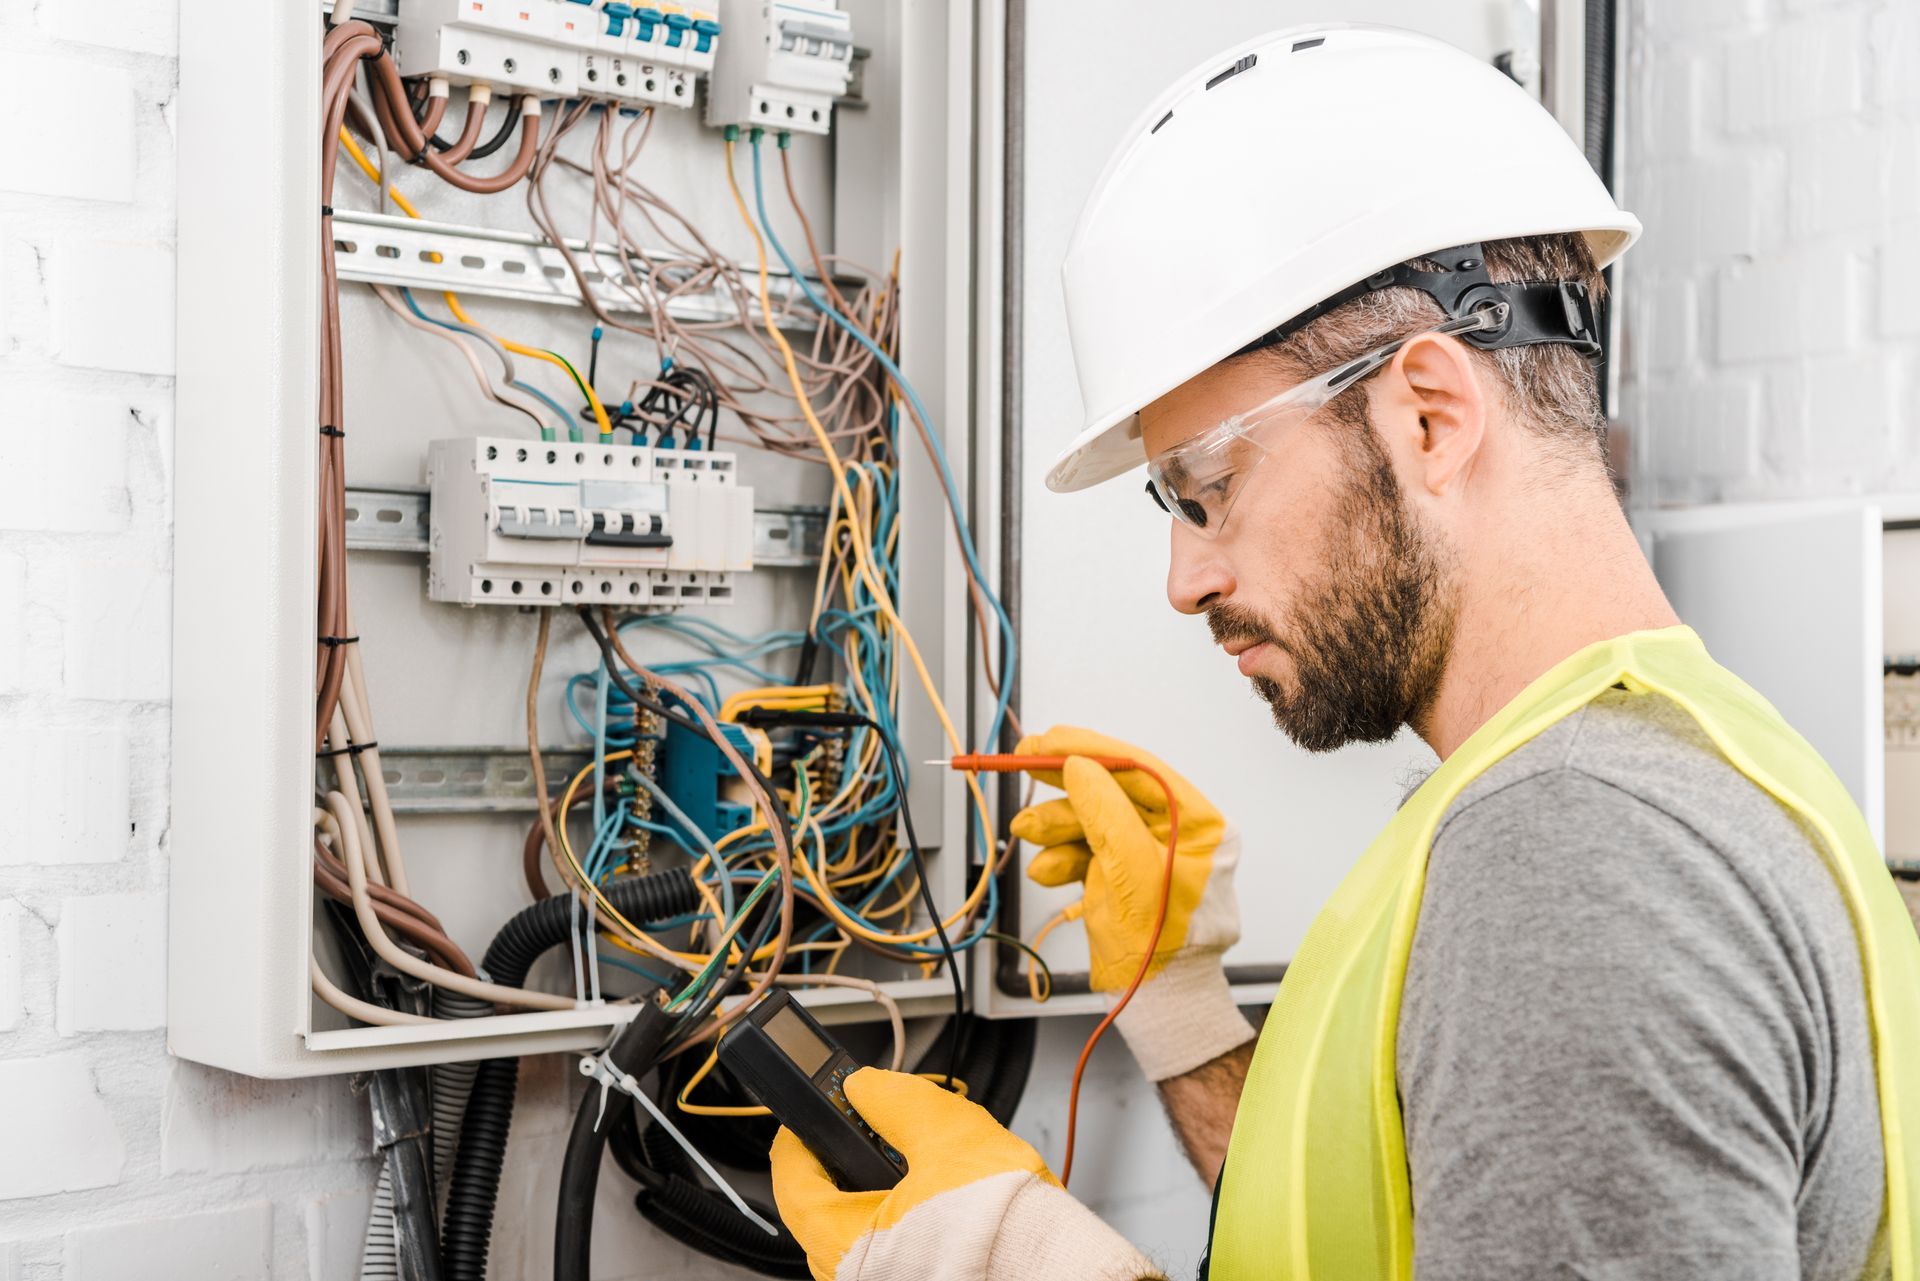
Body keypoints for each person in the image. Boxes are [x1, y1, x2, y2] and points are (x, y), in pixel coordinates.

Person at [768, 23, 1920, 1281]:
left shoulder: (1576, 857)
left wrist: (996, 1259)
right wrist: (1182, 1006)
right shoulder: (1683, 761)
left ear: (1430, 416)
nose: (1184, 579)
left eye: (1205, 491)